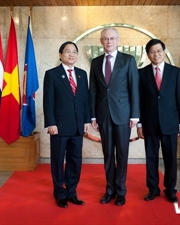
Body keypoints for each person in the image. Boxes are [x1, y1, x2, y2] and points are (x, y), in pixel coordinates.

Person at [89, 27, 140, 206]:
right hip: (103, 116)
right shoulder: (95, 63)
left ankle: (121, 191)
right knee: (108, 154)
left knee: (122, 154)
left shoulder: (128, 60)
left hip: (123, 116)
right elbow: (93, 91)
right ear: (101, 41)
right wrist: (93, 117)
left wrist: (135, 115)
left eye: (112, 38)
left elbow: (134, 89)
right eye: (105, 39)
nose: (109, 42)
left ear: (118, 40)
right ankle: (109, 189)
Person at [137, 39, 180, 203]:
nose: (156, 54)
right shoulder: (141, 74)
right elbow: (139, 101)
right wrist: (139, 124)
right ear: (148, 54)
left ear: (164, 52)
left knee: (170, 158)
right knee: (151, 158)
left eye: (158, 51)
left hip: (170, 123)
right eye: (152, 51)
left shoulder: (175, 72)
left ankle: (170, 189)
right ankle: (153, 189)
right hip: (149, 123)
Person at [43, 41, 91, 208]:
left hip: (78, 126)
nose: (72, 54)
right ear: (60, 55)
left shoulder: (82, 74)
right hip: (59, 126)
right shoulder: (52, 74)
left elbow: (85, 100)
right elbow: (48, 101)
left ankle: (72, 192)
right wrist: (51, 123)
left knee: (75, 160)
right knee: (57, 161)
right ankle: (59, 193)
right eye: (68, 51)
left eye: (74, 52)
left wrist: (87, 120)